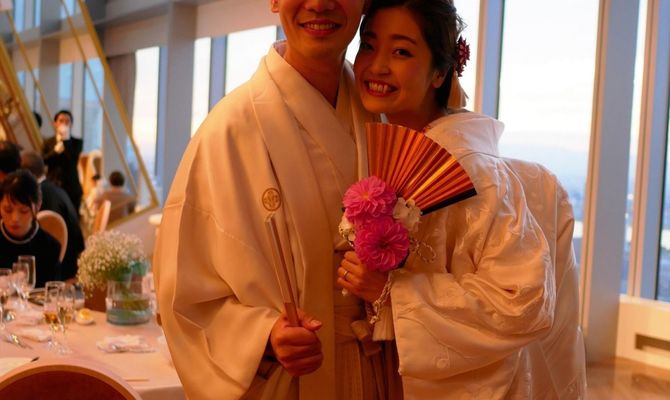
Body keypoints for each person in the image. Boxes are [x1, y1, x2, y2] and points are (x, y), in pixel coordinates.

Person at [337, 0, 587, 398]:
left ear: (440, 72)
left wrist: (393, 292)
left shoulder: (474, 172)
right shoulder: (397, 158)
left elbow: (523, 302)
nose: (377, 65)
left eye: (401, 51)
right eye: (368, 45)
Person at [153, 1, 399, 399]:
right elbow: (182, 295)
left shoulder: (386, 116)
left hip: (381, 372)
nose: (319, 4)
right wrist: (263, 335)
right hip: (292, 380)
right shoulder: (229, 130)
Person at [21, 151, 85, 282]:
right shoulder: (55, 189)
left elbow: (44, 247)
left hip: (61, 272)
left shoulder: (39, 197)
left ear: (26, 175)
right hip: (74, 261)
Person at [0, 169, 61, 287]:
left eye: (24, 211)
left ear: (38, 206)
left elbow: (53, 293)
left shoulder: (50, 247)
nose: (15, 218)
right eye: (8, 210)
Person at [42, 110, 83, 215]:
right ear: (55, 124)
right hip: (53, 185)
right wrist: (55, 152)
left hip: (71, 187)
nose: (64, 123)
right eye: (61, 121)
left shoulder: (77, 142)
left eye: (67, 121)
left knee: (72, 217)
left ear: (71, 124)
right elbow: (43, 161)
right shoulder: (48, 142)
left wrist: (66, 139)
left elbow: (72, 160)